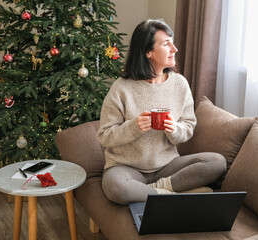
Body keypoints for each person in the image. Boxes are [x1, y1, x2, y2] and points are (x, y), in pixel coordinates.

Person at [97, 19, 226, 205]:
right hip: (127, 168)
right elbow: (104, 136)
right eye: (166, 44)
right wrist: (133, 127)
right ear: (147, 52)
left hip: (168, 166)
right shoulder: (121, 89)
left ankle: (156, 190)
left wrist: (174, 128)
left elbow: (188, 126)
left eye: (172, 42)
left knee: (217, 162)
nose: (175, 49)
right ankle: (172, 196)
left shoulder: (179, 84)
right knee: (115, 187)